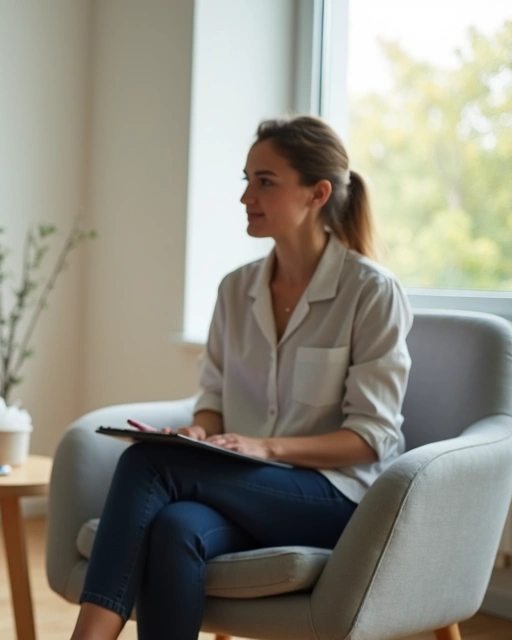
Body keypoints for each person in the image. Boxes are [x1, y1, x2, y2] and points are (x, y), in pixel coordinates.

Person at [71, 115, 413, 640]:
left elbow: (371, 439)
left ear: (318, 193)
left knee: (147, 463)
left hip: (337, 498)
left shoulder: (370, 291)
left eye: (265, 182)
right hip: (250, 489)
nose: (246, 196)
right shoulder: (236, 289)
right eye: (247, 180)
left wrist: (266, 448)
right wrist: (199, 432)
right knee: (174, 528)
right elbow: (212, 394)